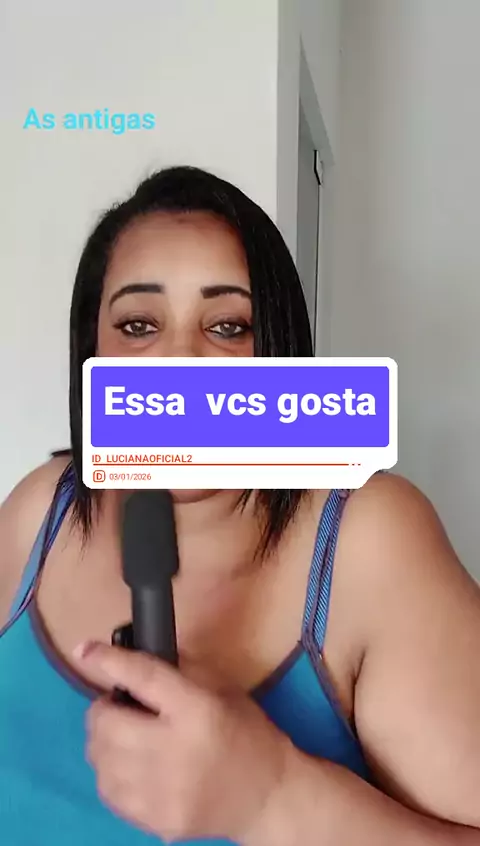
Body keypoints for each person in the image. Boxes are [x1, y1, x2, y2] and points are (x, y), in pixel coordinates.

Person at [1, 166, 479, 846]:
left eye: (228, 326)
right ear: (92, 354)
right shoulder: (40, 511)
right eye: (138, 325)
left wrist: (271, 797)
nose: (179, 364)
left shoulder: (370, 541)